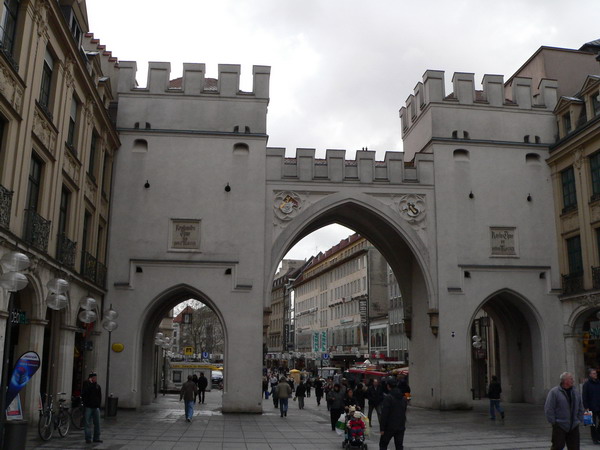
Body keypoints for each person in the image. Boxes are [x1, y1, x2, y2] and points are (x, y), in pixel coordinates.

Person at [545, 371, 584, 450]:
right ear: (565, 381)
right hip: (560, 425)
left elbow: (580, 406)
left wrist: (580, 419)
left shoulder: (575, 392)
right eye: (571, 379)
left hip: (573, 425)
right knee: (557, 447)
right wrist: (553, 422)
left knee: (575, 447)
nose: (573, 380)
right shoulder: (554, 392)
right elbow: (549, 408)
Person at [379, 377, 408, 450]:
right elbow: (404, 411)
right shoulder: (403, 398)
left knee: (383, 444)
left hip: (389, 427)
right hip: (400, 426)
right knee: (399, 446)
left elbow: (384, 414)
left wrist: (382, 428)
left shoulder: (388, 398)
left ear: (388, 386)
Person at [82, 372, 103, 444]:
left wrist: (98, 405)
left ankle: (96, 437)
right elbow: (85, 394)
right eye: (94, 378)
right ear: (90, 378)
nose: (95, 379)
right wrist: (90, 384)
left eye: (96, 378)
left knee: (97, 423)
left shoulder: (97, 386)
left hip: (96, 407)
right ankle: (88, 438)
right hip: (88, 407)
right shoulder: (87, 385)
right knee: (87, 423)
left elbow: (99, 396)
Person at [582, 368, 600, 444]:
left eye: (595, 373)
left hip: (599, 405)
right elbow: (584, 396)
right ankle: (594, 439)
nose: (595, 374)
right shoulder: (586, 384)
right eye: (593, 373)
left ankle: (598, 435)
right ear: (590, 375)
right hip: (591, 407)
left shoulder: (599, 383)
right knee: (592, 424)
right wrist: (586, 407)